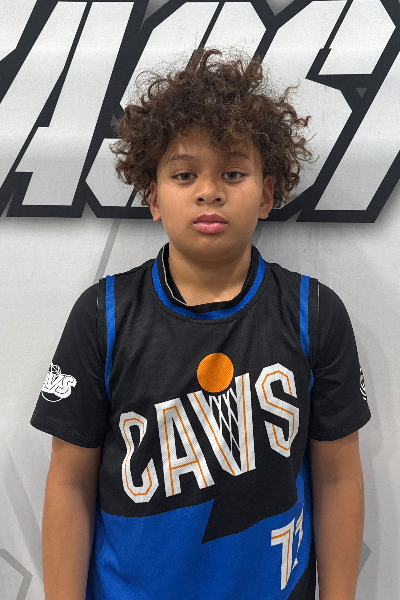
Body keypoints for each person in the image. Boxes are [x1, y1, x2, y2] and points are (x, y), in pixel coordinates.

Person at [31, 47, 371, 600]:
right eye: (185, 174)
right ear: (153, 196)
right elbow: (69, 483)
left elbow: (337, 477)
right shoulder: (102, 316)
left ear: (267, 193)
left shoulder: (314, 312)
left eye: (232, 173)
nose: (209, 191)